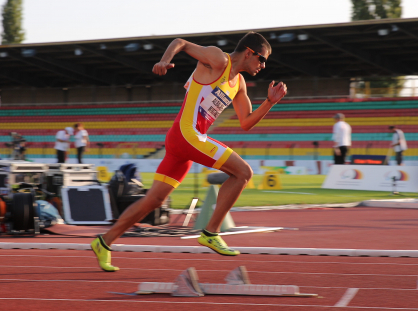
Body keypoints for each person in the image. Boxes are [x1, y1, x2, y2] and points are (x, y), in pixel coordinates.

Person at [90, 32, 288, 272]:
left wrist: (269, 102)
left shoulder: (239, 84)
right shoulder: (218, 60)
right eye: (262, 59)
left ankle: (104, 241)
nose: (263, 66)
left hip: (182, 140)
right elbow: (180, 43)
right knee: (243, 173)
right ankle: (211, 232)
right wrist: (164, 60)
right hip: (187, 135)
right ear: (248, 52)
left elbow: (245, 122)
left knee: (154, 200)